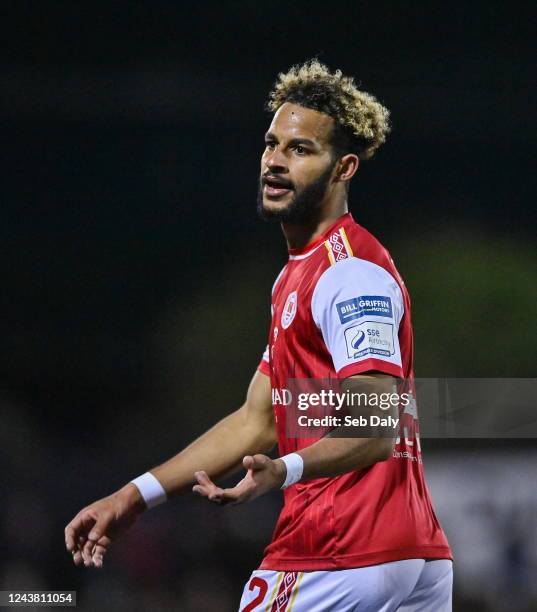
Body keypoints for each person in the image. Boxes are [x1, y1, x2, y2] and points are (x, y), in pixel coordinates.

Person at [65, 59, 453, 611]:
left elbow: (375, 426)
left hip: (337, 551)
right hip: (409, 556)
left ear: (343, 167)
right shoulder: (298, 274)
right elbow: (258, 418)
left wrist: (283, 470)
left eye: (300, 149)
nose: (274, 161)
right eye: (272, 144)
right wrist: (136, 495)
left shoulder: (350, 272)